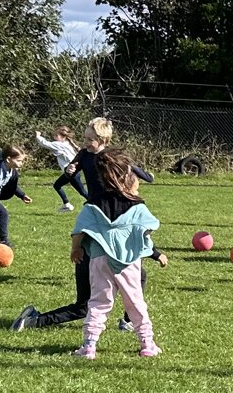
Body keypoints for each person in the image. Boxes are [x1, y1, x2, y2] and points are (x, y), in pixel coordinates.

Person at [11, 155, 169, 333]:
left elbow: (83, 230)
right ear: (125, 183)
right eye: (136, 183)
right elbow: (138, 235)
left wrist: (76, 249)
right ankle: (34, 320)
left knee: (138, 277)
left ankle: (128, 320)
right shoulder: (126, 205)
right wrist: (155, 254)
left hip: (89, 256)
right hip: (97, 258)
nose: (138, 188)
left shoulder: (98, 202)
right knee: (85, 307)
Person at [68, 151, 163, 359]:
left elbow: (79, 230)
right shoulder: (136, 204)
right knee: (135, 302)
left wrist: (76, 249)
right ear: (127, 177)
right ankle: (147, 344)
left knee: (99, 302)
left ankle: (89, 345)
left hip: (100, 259)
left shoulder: (92, 204)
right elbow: (149, 227)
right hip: (129, 263)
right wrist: (149, 249)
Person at [33, 125, 81, 210]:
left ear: (63, 137)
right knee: (57, 185)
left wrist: (38, 136)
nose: (54, 137)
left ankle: (96, 205)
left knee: (83, 192)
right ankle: (66, 204)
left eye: (56, 135)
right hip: (72, 170)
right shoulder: (66, 143)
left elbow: (46, 144)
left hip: (70, 171)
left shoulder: (60, 144)